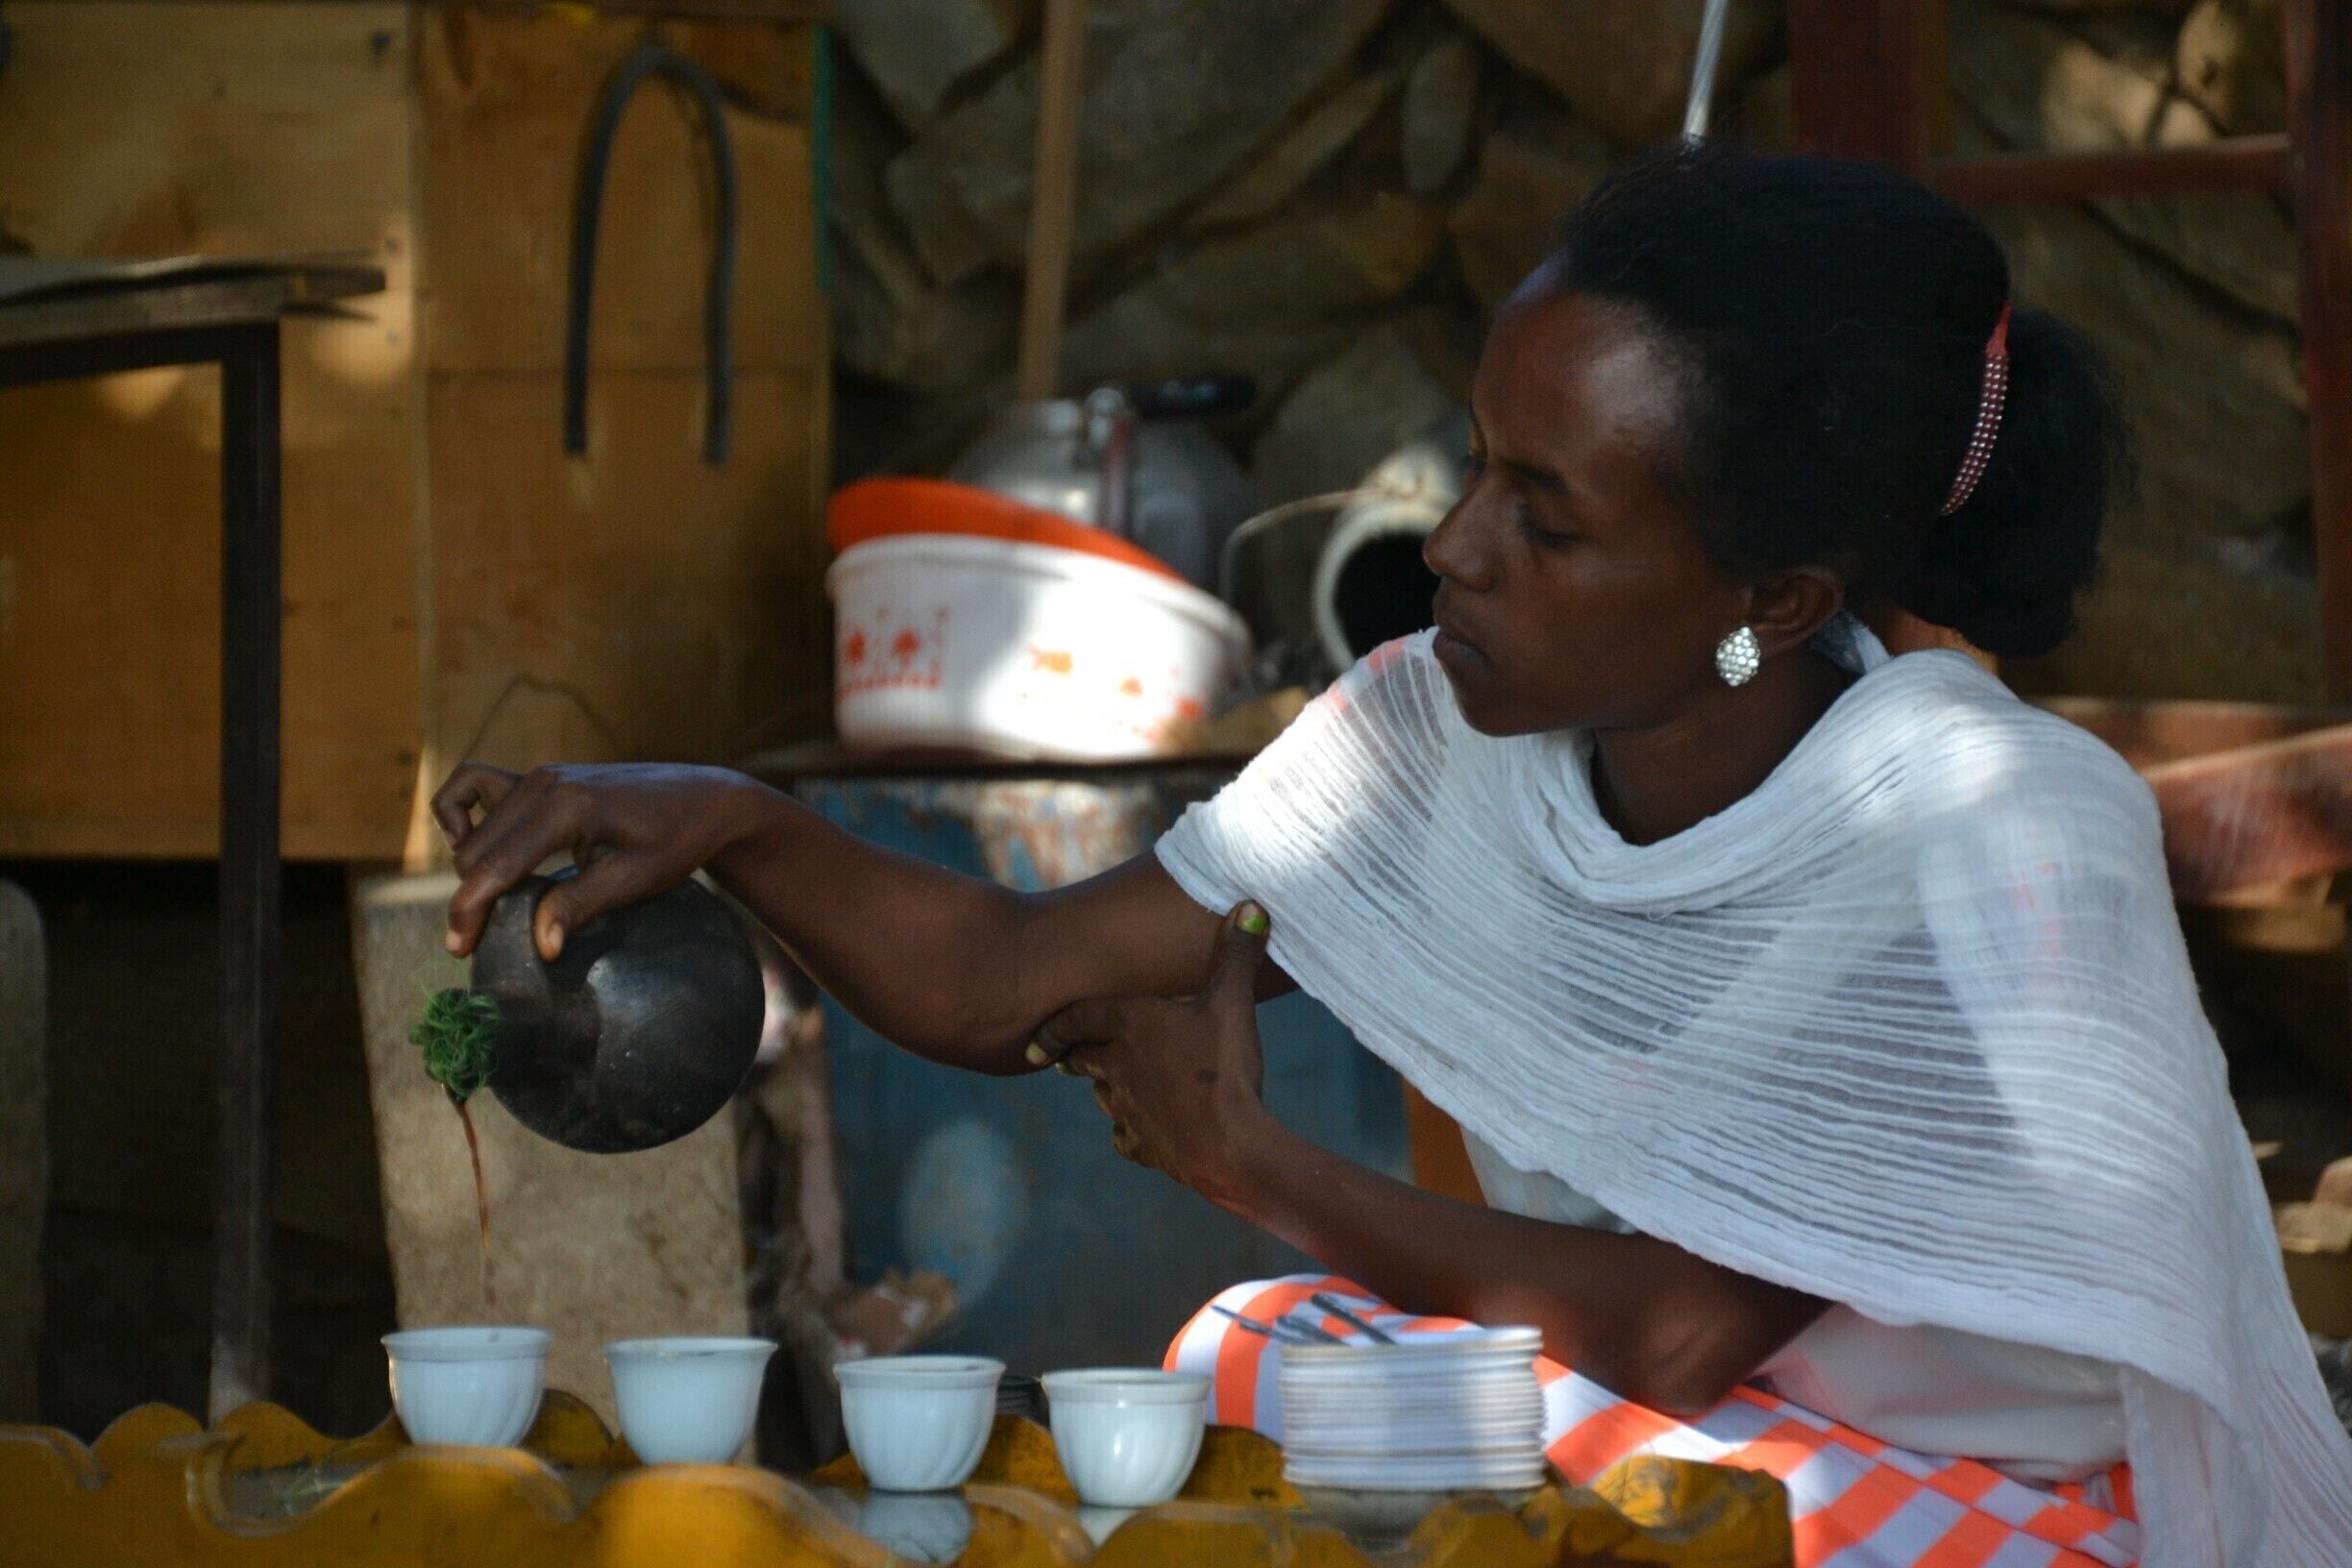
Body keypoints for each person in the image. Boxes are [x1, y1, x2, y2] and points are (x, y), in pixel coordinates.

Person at [434, 145, 2352, 1565]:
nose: (1456, 548)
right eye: (1475, 463)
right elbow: (1022, 980)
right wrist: (739, 822)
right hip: (1670, 1445)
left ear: (1774, 593)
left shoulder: (1978, 827)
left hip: (2015, 1516)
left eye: (1551, 513)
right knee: (1258, 1356)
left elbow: (1690, 1330)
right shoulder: (1442, 723)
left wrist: (1248, 1158)